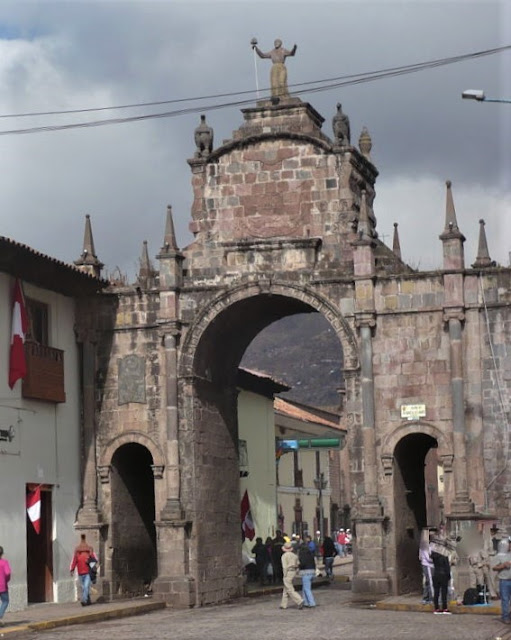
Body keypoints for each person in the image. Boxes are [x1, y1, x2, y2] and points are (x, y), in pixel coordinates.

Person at [70, 534, 97, 606]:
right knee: (84, 588)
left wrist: (93, 567)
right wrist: (72, 569)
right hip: (80, 573)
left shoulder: (90, 551)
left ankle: (84, 600)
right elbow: (74, 560)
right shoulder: (77, 552)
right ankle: (88, 601)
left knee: (85, 587)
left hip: (87, 572)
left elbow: (94, 559)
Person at [430, 536, 452, 614]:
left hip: (436, 574)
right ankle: (444, 608)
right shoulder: (444, 555)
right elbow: (447, 567)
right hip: (443, 574)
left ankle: (436, 608)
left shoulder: (434, 555)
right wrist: (449, 575)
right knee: (444, 592)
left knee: (436, 592)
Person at [279, 542, 303, 610]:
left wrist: (284, 574)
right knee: (286, 588)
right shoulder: (294, 555)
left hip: (288, 572)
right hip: (293, 571)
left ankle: (299, 600)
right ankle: (283, 604)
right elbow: (298, 564)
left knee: (289, 589)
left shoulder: (284, 556)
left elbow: (284, 567)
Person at [492, 538, 511, 624]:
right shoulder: (499, 555)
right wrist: (503, 565)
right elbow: (494, 567)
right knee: (505, 600)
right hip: (504, 581)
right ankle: (505, 617)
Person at [298, 542, 317, 608]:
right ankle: (305, 602)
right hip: (312, 571)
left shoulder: (302, 555)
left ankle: (312, 603)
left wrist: (298, 565)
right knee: (305, 588)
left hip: (305, 572)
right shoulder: (310, 554)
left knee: (306, 589)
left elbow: (302, 564)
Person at [419, 531, 434, 604]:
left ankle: (426, 598)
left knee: (427, 582)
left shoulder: (431, 545)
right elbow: (428, 558)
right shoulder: (425, 546)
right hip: (428, 565)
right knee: (430, 581)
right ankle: (431, 598)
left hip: (429, 565)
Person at [0, 547, 11, 626]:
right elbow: (7, 573)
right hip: (2, 586)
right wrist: (6, 580)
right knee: (5, 601)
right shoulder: (4, 562)